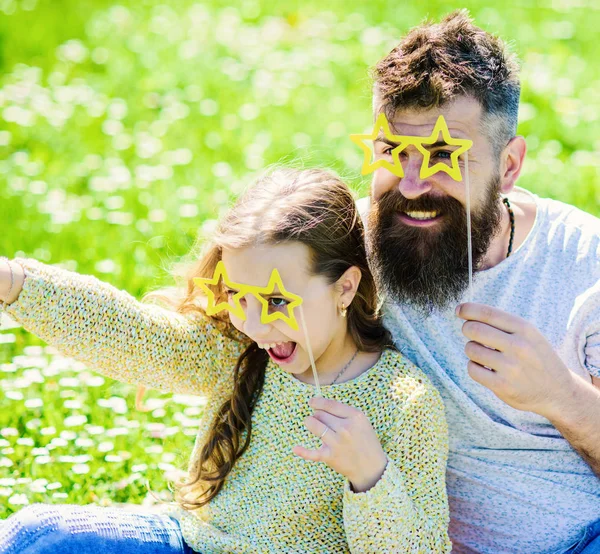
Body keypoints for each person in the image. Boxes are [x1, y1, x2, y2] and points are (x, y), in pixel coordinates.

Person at [0, 168, 451, 553]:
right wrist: (14, 282)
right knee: (39, 536)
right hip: (188, 540)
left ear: (345, 288)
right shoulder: (239, 349)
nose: (254, 326)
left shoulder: (404, 403)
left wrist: (369, 476)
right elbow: (134, 336)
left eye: (276, 300)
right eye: (238, 296)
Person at [355, 9, 600, 554]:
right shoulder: (346, 248)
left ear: (510, 166)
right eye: (394, 151)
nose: (414, 185)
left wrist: (560, 395)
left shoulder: (586, 264)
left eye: (445, 155)